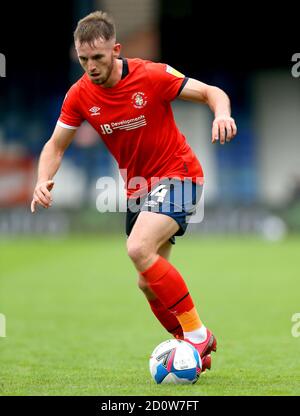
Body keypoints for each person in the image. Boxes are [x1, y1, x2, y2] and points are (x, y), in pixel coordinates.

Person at [31, 11, 237, 374]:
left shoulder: (151, 75)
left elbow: (210, 92)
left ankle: (197, 333)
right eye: (83, 60)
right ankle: (194, 351)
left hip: (179, 174)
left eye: (98, 58)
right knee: (147, 282)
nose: (91, 67)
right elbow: (55, 146)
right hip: (139, 189)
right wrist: (42, 179)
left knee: (138, 248)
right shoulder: (79, 95)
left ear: (116, 50)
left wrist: (221, 114)